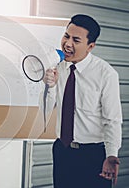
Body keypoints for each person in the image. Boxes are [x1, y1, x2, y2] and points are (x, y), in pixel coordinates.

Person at [42, 14, 122, 188]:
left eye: (76, 40)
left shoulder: (106, 74)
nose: (67, 44)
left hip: (92, 155)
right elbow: (47, 110)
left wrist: (111, 155)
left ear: (90, 46)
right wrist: (52, 86)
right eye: (66, 36)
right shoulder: (58, 66)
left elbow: (112, 120)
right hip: (62, 151)